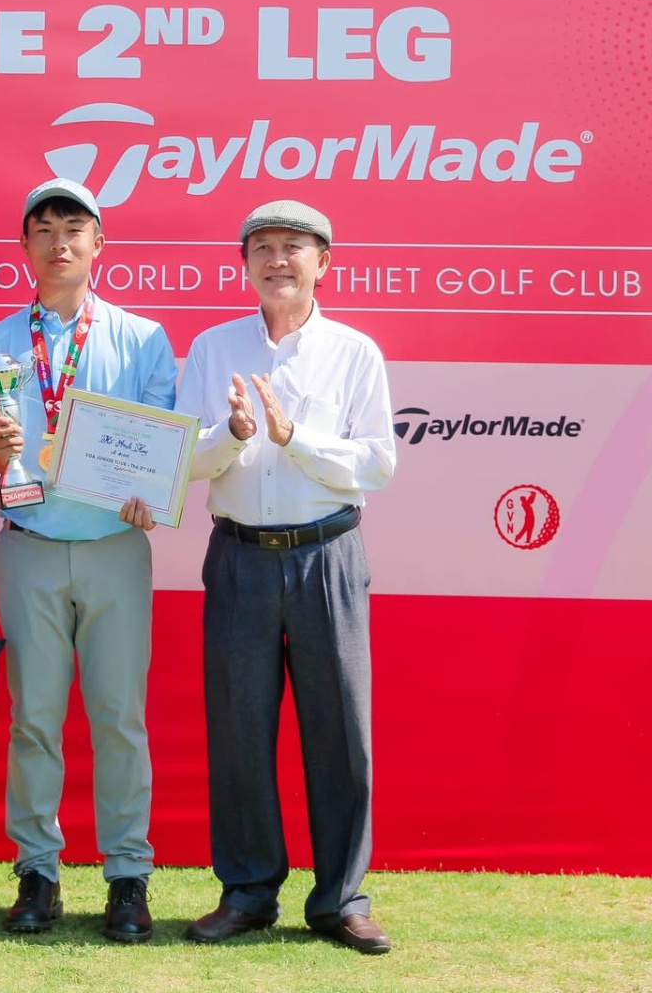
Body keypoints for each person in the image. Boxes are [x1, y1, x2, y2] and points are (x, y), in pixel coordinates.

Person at [174, 200, 398, 956]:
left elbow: (378, 463)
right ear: (244, 263)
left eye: (293, 247)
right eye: (262, 247)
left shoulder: (354, 352)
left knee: (341, 730)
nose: (277, 260)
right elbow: (184, 461)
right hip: (238, 555)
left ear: (322, 262)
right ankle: (247, 892)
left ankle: (342, 899)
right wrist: (232, 436)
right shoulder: (213, 348)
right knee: (239, 728)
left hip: (327, 555)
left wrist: (295, 439)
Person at [0, 178, 177, 943]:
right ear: (24, 245)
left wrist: (151, 493)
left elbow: (161, 449)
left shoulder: (143, 338)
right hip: (29, 548)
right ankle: (37, 871)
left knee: (120, 717)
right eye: (44, 228)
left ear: (98, 244)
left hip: (116, 547)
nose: (60, 242)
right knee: (34, 721)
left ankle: (128, 875)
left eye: (74, 228)